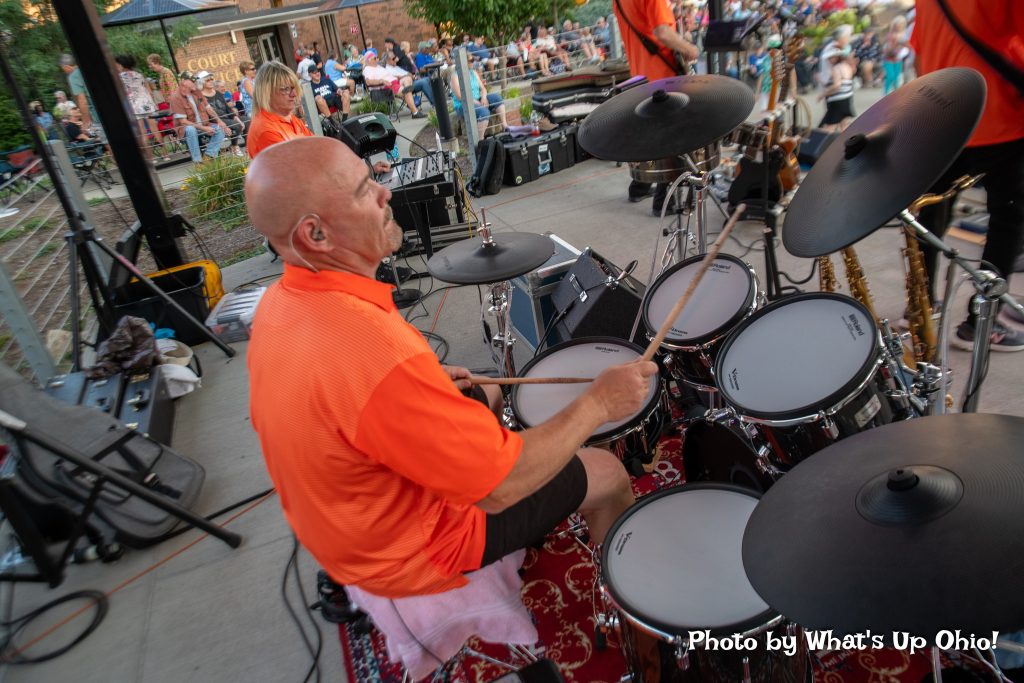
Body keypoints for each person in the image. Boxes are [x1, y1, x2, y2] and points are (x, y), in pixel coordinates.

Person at [244, 135, 654, 598]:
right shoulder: (376, 353)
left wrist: (421, 389)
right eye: (363, 190)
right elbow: (499, 488)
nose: (385, 193)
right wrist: (598, 403)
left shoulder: (279, 303)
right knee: (606, 472)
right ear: (315, 235)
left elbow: (343, 400)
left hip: (345, 519)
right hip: (406, 548)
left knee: (490, 391)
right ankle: (632, 601)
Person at [910, 0, 1024, 351]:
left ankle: (920, 309)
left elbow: (919, 52)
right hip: (999, 116)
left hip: (943, 115)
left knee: (929, 213)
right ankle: (981, 323)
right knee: (1007, 219)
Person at [614, 0, 700, 214]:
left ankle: (639, 187)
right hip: (663, 76)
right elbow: (662, 32)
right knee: (672, 140)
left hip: (640, 75)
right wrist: (689, 48)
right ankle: (664, 201)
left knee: (651, 137)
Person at [246, 61, 313, 159]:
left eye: (293, 88)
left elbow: (316, 149)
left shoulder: (290, 119)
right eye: (285, 89)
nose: (294, 94)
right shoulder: (266, 130)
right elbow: (298, 165)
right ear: (267, 92)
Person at [168, 70, 228, 164]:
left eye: (195, 80)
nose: (195, 82)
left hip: (204, 124)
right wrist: (204, 128)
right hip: (185, 129)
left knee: (220, 128)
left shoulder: (197, 92)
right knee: (190, 129)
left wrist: (219, 121)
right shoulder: (175, 97)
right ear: (183, 82)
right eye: (192, 81)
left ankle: (208, 157)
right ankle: (197, 161)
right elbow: (183, 121)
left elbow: (209, 108)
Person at [451, 60, 509, 139]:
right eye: (471, 60)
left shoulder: (473, 73)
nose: (473, 62)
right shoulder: (455, 76)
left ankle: (505, 126)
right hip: (463, 104)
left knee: (496, 97)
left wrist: (484, 97)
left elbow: (483, 88)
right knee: (484, 111)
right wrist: (474, 102)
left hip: (478, 99)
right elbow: (460, 96)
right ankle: (480, 139)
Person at [114, 54, 157, 160]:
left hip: (134, 106)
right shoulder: (139, 75)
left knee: (142, 132)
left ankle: (150, 158)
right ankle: (166, 155)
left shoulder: (119, 78)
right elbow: (148, 90)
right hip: (146, 103)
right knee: (155, 129)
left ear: (121, 65)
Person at [200, 75, 246, 157]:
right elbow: (207, 115)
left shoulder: (217, 93)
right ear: (202, 82)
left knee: (246, 120)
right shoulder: (201, 97)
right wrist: (222, 124)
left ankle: (248, 147)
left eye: (211, 79)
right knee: (236, 125)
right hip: (215, 120)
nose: (211, 81)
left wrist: (238, 119)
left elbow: (228, 109)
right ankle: (234, 146)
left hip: (227, 117)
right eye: (207, 80)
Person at [817, 46, 855, 132]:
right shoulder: (847, 66)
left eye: (830, 58)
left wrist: (823, 94)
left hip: (837, 101)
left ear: (836, 57)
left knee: (829, 127)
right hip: (847, 99)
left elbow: (837, 85)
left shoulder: (836, 68)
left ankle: (825, 142)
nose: (829, 60)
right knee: (844, 125)